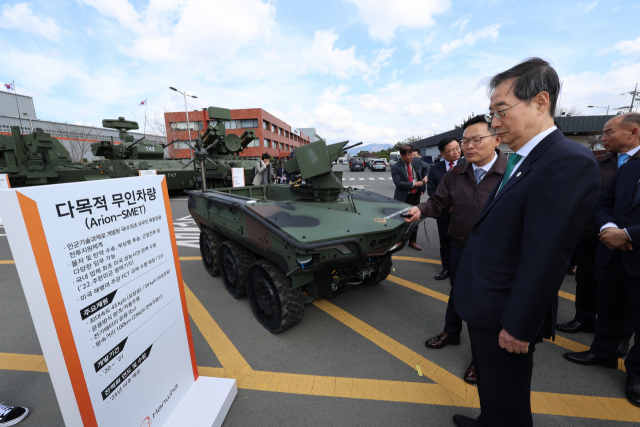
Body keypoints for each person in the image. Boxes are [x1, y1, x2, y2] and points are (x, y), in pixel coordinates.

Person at [449, 58, 600, 427]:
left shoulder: (566, 161)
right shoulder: (523, 157)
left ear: (540, 102)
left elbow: (546, 254)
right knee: (494, 388)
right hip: (487, 302)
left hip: (507, 311)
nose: (494, 122)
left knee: (509, 399)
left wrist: (519, 324)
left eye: (501, 111)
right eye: (491, 112)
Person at [406, 115, 507, 385]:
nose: (468, 146)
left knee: (485, 307)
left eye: (477, 139)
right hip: (461, 246)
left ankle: (481, 357)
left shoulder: (511, 173)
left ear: (496, 140)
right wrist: (420, 209)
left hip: (495, 255)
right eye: (465, 141)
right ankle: (451, 332)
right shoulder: (456, 173)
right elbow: (438, 203)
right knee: (458, 292)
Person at [563, 113, 640, 407]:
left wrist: (629, 234)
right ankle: (603, 352)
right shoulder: (627, 166)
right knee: (607, 306)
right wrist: (609, 229)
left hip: (635, 252)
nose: (603, 137)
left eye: (609, 131)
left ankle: (637, 375)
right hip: (609, 252)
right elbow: (604, 201)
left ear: (633, 132)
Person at [427, 137, 463, 280]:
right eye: (451, 150)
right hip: (445, 213)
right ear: (442, 153)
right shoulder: (435, 169)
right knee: (445, 242)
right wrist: (446, 205)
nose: (456, 152)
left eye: (457, 148)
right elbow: (431, 190)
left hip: (464, 213)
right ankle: (447, 268)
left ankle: (463, 268)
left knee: (464, 241)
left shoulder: (469, 163)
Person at [391, 144, 425, 250]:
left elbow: (426, 168)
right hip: (403, 197)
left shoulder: (415, 162)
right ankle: (399, 240)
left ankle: (412, 241)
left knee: (415, 218)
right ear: (402, 155)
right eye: (410, 155)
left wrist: (424, 181)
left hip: (415, 196)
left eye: (413, 155)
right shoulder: (396, 167)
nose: (412, 157)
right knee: (402, 219)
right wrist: (414, 184)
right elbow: (398, 183)